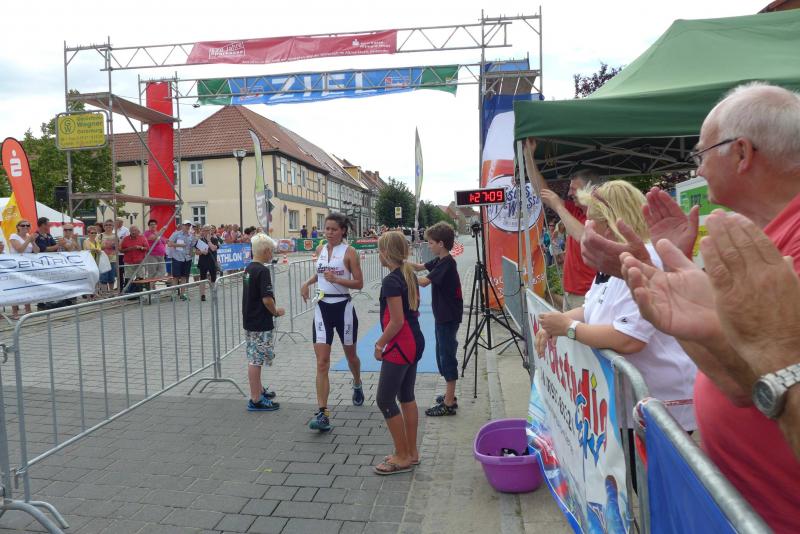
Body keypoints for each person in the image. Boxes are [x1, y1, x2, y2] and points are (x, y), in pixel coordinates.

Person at [606, 83, 800, 531]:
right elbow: (743, 383)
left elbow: (770, 372)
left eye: (701, 153)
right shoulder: (760, 237)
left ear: (741, 153)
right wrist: (678, 290)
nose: (697, 167)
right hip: (742, 507)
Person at [535, 181, 697, 492]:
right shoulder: (612, 261)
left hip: (660, 401)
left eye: (590, 218)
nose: (586, 226)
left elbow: (629, 338)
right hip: (634, 402)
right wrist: (556, 323)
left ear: (609, 223)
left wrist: (568, 329)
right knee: (642, 485)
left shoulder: (642, 259)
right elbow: (591, 308)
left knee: (657, 491)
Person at [699, 211, 800, 458]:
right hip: (737, 472)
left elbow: (744, 390)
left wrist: (779, 351)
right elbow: (742, 388)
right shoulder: (773, 228)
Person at [300, 213, 365, 432]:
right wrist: (307, 283)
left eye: (333, 229)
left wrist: (337, 279)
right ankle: (323, 413)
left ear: (343, 231)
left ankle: (357, 382)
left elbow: (359, 283)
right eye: (326, 229)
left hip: (343, 308)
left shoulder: (350, 252)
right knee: (322, 362)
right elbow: (320, 274)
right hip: (322, 308)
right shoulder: (320, 249)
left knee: (351, 356)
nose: (329, 233)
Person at [373, 231, 424, 475]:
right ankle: (411, 452)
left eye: (378, 250)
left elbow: (396, 321)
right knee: (406, 396)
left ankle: (402, 456)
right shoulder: (407, 273)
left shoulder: (391, 281)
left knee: (385, 399)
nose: (377, 254)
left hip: (401, 343)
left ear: (385, 253)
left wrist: (379, 344)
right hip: (414, 340)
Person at [525, 140, 596, 310]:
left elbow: (584, 236)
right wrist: (528, 156)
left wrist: (558, 206)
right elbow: (542, 191)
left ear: (590, 190)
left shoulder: (601, 215)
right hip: (571, 293)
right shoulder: (576, 210)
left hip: (588, 296)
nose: (569, 193)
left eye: (574, 189)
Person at [407, 221, 463, 416]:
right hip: (443, 315)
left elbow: (423, 281)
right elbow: (419, 267)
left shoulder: (447, 263)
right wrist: (401, 262)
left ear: (441, 244)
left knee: (446, 356)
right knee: (441, 354)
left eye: (430, 243)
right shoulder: (440, 260)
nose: (428, 246)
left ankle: (449, 403)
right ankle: (450, 395)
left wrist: (403, 275)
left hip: (448, 316)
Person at [242, 233, 284, 412]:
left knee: (254, 356)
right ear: (266, 251)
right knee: (256, 360)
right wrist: (276, 312)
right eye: (272, 251)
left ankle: (258, 390)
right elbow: (267, 299)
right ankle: (256, 399)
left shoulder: (249, 268)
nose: (272, 254)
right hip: (260, 320)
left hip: (250, 319)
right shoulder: (263, 271)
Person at [8, 219, 39, 318]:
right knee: (15, 288)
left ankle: (28, 310)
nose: (25, 227)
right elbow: (20, 249)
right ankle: (15, 312)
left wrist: (33, 242)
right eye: (23, 225)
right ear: (18, 227)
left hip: (26, 266)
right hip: (15, 266)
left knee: (27, 287)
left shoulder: (29, 236)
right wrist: (28, 240)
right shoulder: (13, 236)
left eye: (27, 225)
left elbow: (37, 251)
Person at [168, 220, 196, 300]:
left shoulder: (191, 235)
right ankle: (173, 294)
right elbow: (169, 243)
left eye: (189, 225)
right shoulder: (176, 234)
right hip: (177, 258)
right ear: (182, 225)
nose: (187, 227)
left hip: (187, 259)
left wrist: (192, 253)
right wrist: (179, 245)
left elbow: (192, 246)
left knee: (184, 277)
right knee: (176, 277)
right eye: (186, 225)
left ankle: (183, 294)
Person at [196, 225, 220, 302]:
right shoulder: (200, 240)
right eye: (205, 230)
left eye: (208, 230)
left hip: (212, 262)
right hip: (203, 262)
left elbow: (213, 248)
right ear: (203, 231)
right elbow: (196, 252)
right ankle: (202, 295)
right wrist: (202, 252)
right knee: (202, 278)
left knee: (213, 278)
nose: (207, 232)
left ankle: (214, 293)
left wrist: (209, 241)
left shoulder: (214, 239)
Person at [83, 225, 102, 298]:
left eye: (95, 233)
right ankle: (88, 294)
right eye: (92, 233)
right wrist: (96, 250)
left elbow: (100, 250)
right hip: (89, 262)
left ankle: (95, 292)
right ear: (88, 233)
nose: (94, 234)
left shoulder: (97, 241)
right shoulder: (86, 241)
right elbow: (88, 249)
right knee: (89, 278)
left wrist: (97, 250)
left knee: (95, 278)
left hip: (96, 261)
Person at [99, 220, 118, 294]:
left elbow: (118, 247)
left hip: (113, 259)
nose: (108, 226)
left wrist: (115, 246)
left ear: (113, 226)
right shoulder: (100, 236)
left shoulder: (115, 236)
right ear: (104, 227)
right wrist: (107, 246)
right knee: (103, 278)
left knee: (111, 277)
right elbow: (97, 247)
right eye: (106, 225)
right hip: (103, 260)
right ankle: (104, 294)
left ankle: (111, 293)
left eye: (110, 225)